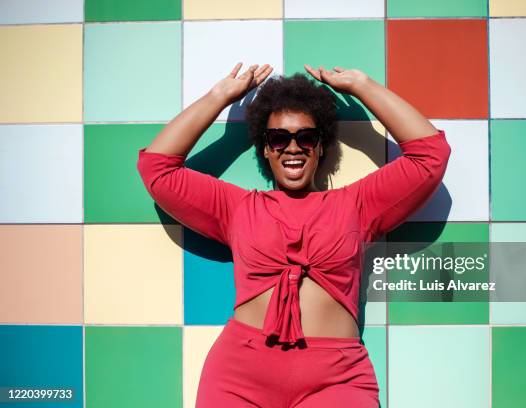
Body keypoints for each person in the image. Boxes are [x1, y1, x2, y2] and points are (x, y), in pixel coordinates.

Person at [137, 62, 451, 408]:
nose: (293, 147)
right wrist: (220, 96)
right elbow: (157, 168)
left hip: (337, 380)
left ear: (320, 146)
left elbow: (430, 155)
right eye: (278, 138)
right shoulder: (237, 207)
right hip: (238, 377)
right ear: (265, 147)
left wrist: (363, 86)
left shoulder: (357, 204)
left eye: (306, 137)